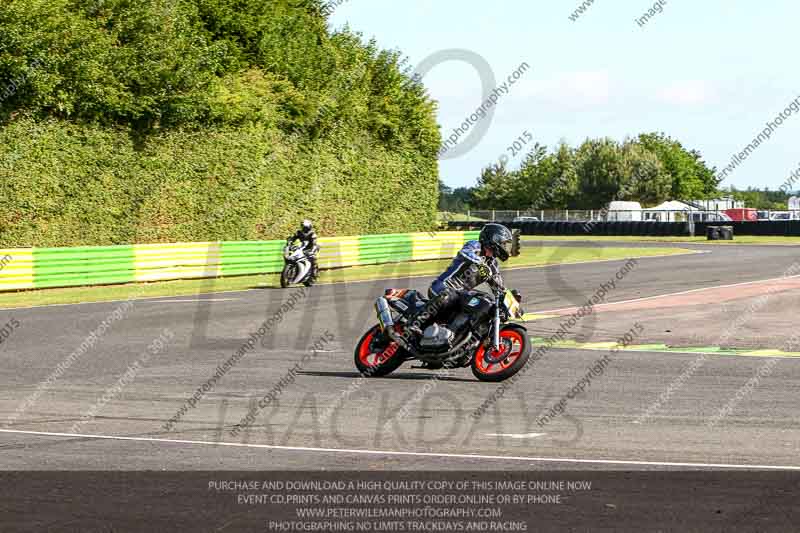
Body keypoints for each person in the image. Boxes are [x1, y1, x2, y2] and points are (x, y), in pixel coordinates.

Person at [387, 223, 513, 344]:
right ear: (494, 238)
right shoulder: (475, 246)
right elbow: (466, 253)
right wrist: (481, 264)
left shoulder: (493, 264)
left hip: (460, 295)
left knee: (481, 304)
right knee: (448, 295)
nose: (505, 247)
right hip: (443, 286)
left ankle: (453, 340)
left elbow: (499, 286)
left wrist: (510, 301)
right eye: (504, 243)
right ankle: (414, 324)